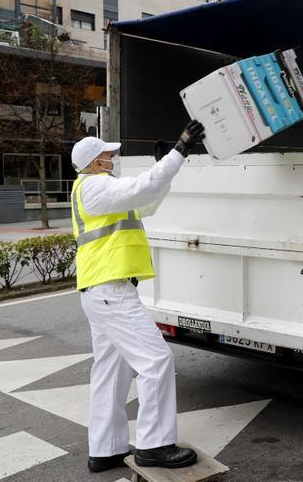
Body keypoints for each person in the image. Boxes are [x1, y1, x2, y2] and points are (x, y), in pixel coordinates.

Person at [70, 121, 205, 473]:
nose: (113, 157)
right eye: (107, 154)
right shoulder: (95, 188)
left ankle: (105, 450)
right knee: (156, 362)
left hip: (102, 291)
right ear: (95, 162)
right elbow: (141, 187)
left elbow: (146, 201)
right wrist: (179, 151)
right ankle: (154, 446)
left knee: (111, 373)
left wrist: (164, 168)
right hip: (110, 291)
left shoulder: (101, 190)